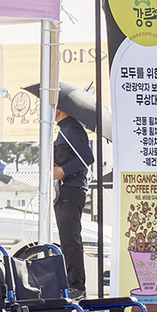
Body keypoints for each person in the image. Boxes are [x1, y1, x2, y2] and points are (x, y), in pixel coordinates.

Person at [52, 107, 94, 294]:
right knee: (66, 239)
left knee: (71, 240)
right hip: (63, 191)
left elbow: (87, 158)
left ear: (60, 108)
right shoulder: (63, 129)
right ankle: (71, 284)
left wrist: (63, 171)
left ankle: (77, 286)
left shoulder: (72, 128)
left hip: (72, 190)